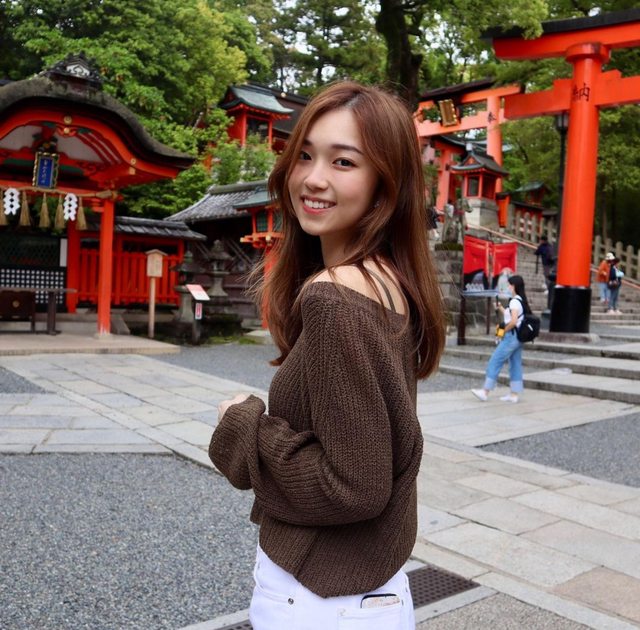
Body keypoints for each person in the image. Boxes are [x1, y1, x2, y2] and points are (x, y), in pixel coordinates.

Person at [209, 81, 446, 630]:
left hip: (319, 600)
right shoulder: (389, 281)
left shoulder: (335, 297)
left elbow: (353, 486)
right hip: (365, 590)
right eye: (305, 156)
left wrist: (242, 424)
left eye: (343, 162)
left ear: (385, 182)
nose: (313, 179)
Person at [471, 275, 530, 403]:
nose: (508, 287)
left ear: (514, 286)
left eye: (509, 285)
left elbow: (513, 321)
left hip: (511, 336)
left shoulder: (514, 302)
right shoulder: (520, 300)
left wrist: (502, 332)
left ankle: (485, 391)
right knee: (515, 364)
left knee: (495, 360)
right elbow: (514, 316)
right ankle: (514, 394)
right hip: (518, 337)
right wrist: (501, 308)